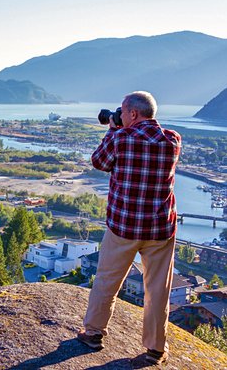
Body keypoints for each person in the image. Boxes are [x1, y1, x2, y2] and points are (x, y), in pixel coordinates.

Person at [78, 91, 181, 365]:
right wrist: (118, 126)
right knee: (158, 290)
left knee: (107, 281)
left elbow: (99, 162)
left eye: (122, 112)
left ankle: (93, 333)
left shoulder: (121, 138)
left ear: (132, 114)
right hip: (160, 229)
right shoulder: (172, 140)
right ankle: (155, 349)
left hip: (123, 227)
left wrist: (112, 130)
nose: (120, 116)